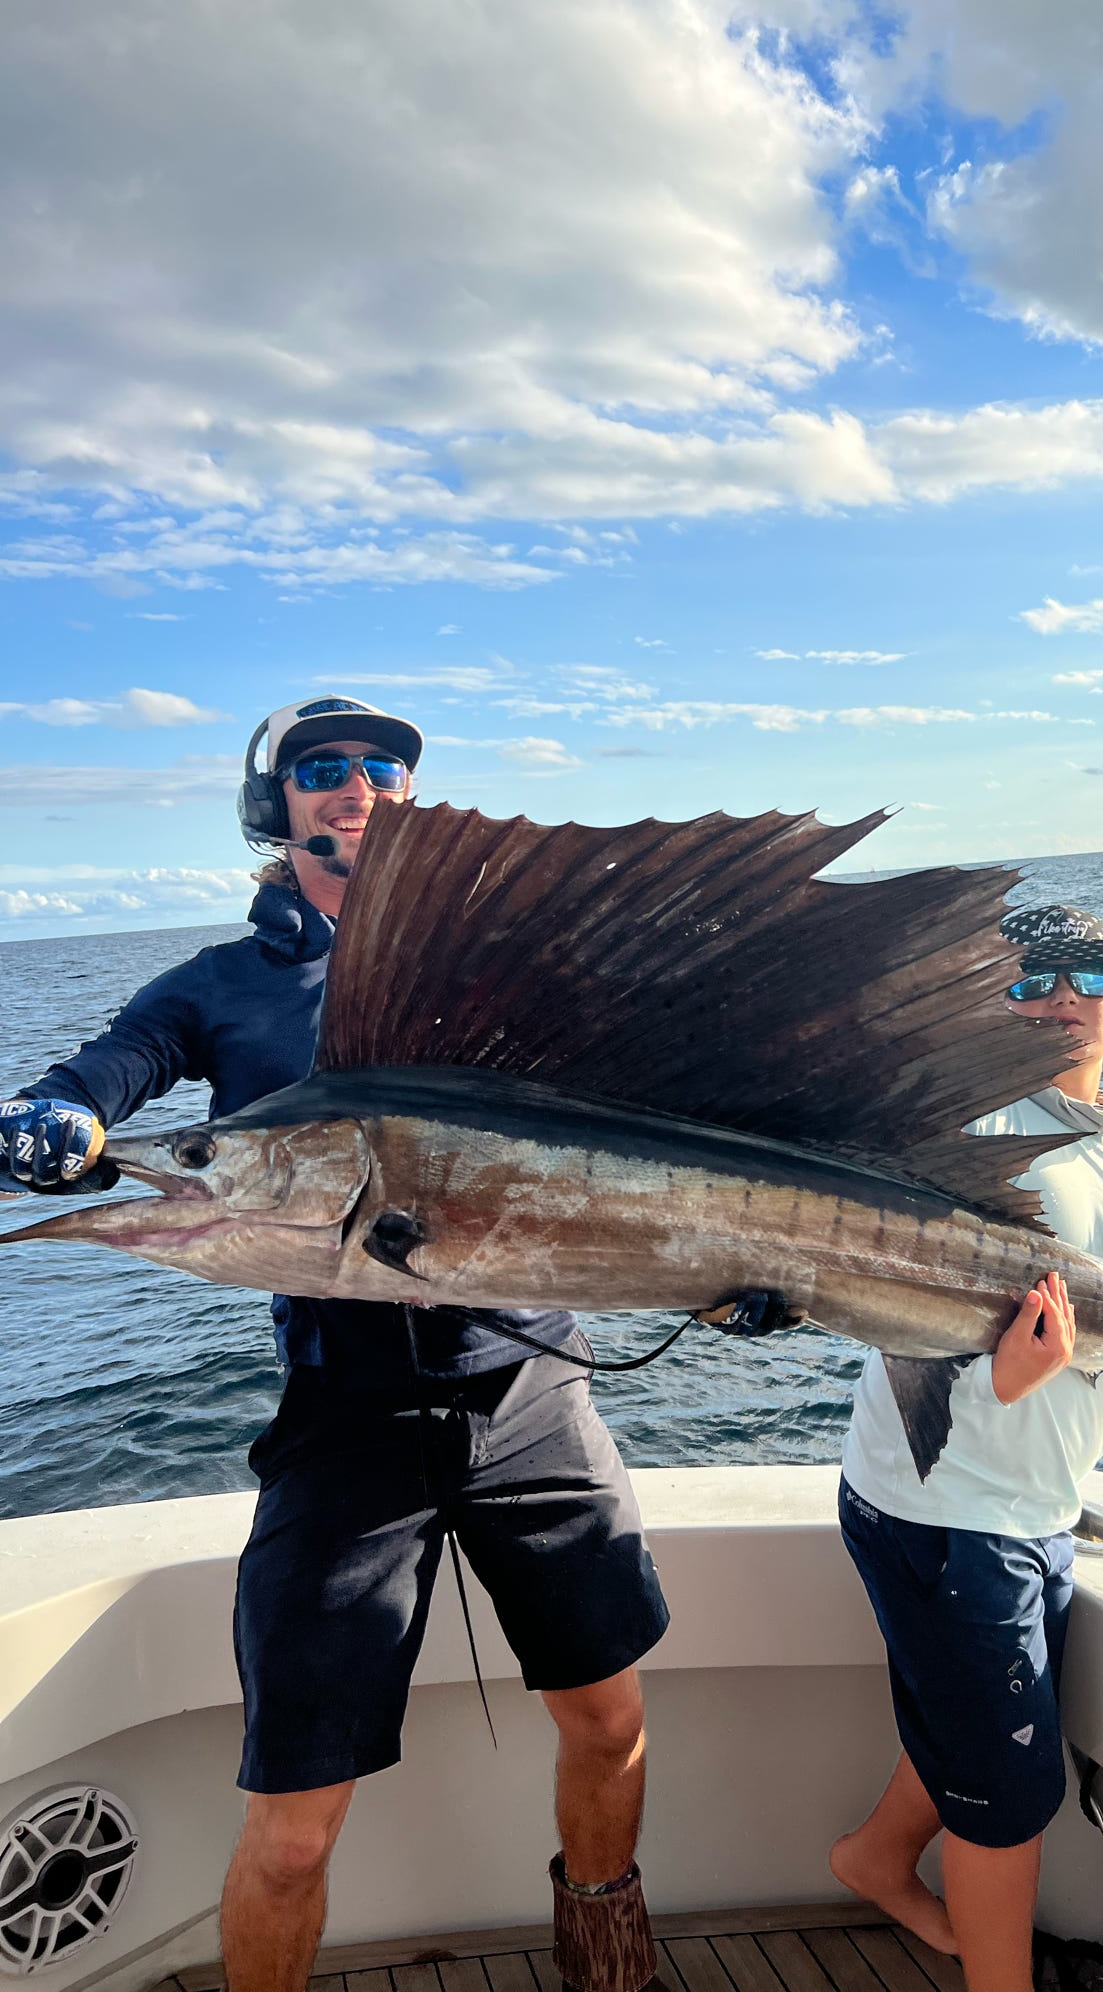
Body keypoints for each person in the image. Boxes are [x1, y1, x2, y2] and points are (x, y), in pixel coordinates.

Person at [0, 696, 670, 1992]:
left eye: (381, 767)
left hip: (534, 1389)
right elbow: (111, 1067)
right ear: (278, 802)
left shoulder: (506, 974)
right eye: (322, 768)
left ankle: (608, 1955)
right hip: (346, 1424)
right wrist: (56, 1112)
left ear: (413, 799)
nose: (355, 785)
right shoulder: (219, 987)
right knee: (297, 1829)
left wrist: (734, 1276)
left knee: (613, 1721)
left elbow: (635, 1149)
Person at [826, 904, 1103, 1992]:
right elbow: (878, 1290)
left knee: (982, 1734)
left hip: (1038, 1505)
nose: (1061, 995)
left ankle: (873, 1859)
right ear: (988, 1008)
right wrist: (983, 1383)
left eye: (1087, 976)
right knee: (1006, 1806)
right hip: (941, 1510)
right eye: (1030, 979)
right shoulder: (956, 1125)